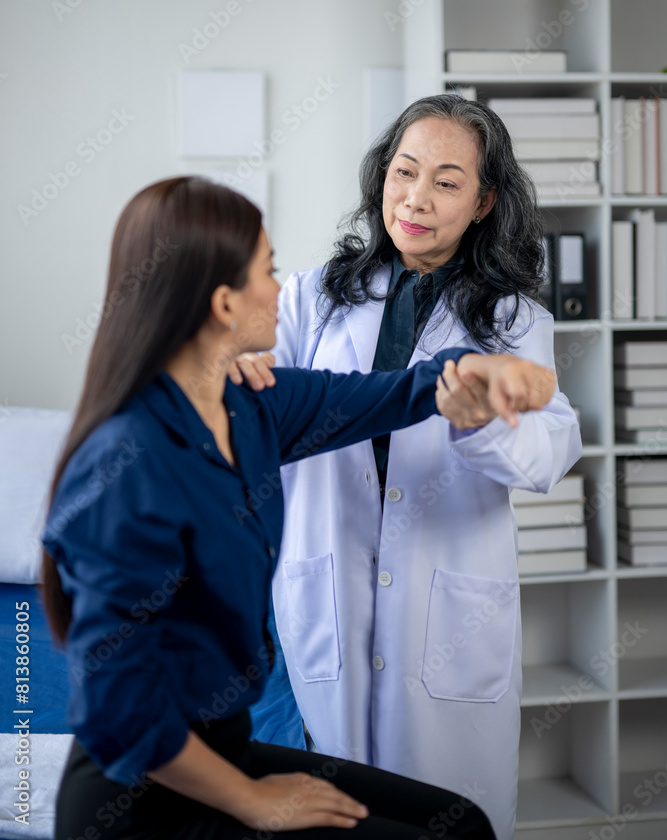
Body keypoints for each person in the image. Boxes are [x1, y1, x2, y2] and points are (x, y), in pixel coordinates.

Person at [41, 175, 557, 840]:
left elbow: (392, 394)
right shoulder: (124, 467)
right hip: (145, 795)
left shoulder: (252, 407)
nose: (284, 290)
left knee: (463, 824)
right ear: (224, 302)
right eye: (269, 270)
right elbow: (116, 715)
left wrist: (483, 372)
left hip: (224, 748)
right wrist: (253, 801)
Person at [232, 95, 583, 840]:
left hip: (447, 609)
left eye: (447, 182)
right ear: (380, 177)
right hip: (324, 592)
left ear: (485, 201)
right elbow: (257, 418)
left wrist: (484, 426)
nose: (415, 199)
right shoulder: (310, 300)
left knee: (444, 821)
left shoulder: (515, 318)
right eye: (403, 172)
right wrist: (246, 373)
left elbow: (552, 451)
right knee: (335, 814)